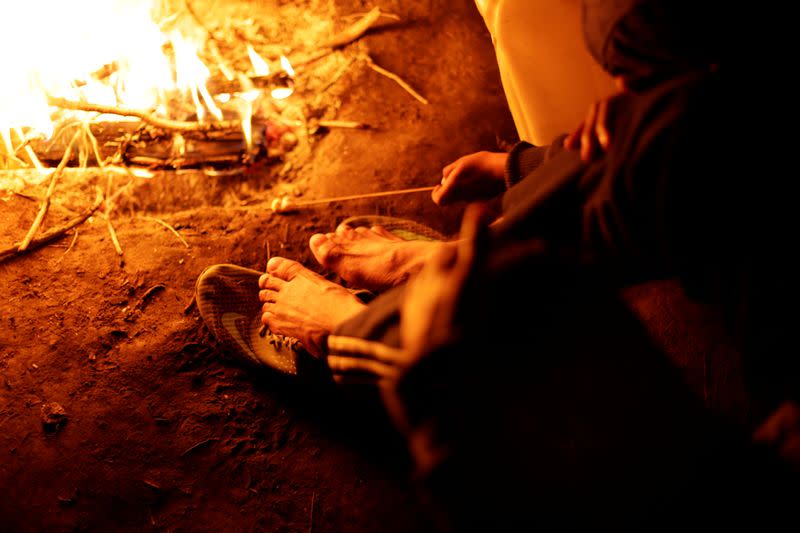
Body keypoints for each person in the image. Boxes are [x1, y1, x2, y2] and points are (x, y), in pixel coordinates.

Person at [196, 0, 797, 529]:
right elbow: (678, 136)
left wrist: (358, 334)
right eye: (624, 79)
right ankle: (444, 266)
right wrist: (527, 168)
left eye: (645, 77)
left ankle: (362, 344)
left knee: (547, 381)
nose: (608, 109)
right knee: (659, 142)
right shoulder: (734, 99)